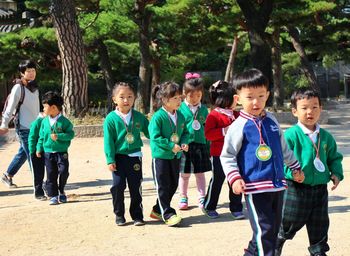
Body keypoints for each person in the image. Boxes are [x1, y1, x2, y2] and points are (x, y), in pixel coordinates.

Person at [220, 68, 304, 256]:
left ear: (267, 95)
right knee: (264, 230)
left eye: (260, 95)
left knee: (272, 229)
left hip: (277, 185)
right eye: (249, 97)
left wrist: (295, 167)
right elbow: (227, 155)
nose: (256, 102)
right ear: (238, 99)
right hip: (255, 187)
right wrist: (234, 178)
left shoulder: (272, 121)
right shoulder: (238, 126)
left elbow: (284, 149)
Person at [275, 88, 344, 256]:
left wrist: (336, 173)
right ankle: (275, 245)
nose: (309, 112)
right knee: (288, 222)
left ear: (320, 108)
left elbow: (334, 158)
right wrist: (292, 173)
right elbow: (280, 160)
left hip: (320, 190)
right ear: (294, 111)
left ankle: (319, 251)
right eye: (304, 107)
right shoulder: (290, 135)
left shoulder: (326, 136)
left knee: (319, 224)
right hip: (296, 189)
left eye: (314, 107)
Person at [103, 82, 150, 226]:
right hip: (118, 158)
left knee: (135, 186)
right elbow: (108, 141)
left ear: (134, 98)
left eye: (130, 97)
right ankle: (119, 215)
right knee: (118, 186)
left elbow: (151, 133)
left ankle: (137, 215)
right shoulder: (111, 118)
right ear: (114, 99)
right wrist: (110, 159)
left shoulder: (139, 117)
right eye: (122, 97)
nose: (126, 100)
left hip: (135, 157)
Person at [148, 81, 190, 227]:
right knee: (163, 186)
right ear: (165, 100)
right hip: (160, 157)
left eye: (180, 97)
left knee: (173, 185)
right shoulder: (157, 117)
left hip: (176, 156)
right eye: (175, 98)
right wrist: (171, 145)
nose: (179, 101)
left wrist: (185, 142)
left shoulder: (181, 115)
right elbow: (155, 137)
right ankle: (168, 213)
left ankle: (157, 210)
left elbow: (185, 132)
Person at [201, 80, 244, 220]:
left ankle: (236, 208)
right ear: (226, 99)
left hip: (236, 154)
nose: (237, 100)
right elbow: (208, 134)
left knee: (236, 180)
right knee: (218, 180)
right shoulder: (213, 115)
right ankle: (209, 206)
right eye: (235, 97)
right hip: (218, 154)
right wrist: (224, 131)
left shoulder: (237, 115)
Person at [1, 60, 40, 188]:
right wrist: (4, 124)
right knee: (32, 154)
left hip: (34, 127)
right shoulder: (18, 88)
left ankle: (8, 175)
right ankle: (39, 184)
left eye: (33, 70)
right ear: (22, 73)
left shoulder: (35, 88)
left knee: (23, 153)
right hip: (23, 127)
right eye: (28, 71)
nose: (31, 73)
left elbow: (35, 109)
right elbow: (10, 108)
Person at [177, 72, 211, 210]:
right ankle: (183, 197)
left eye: (198, 95)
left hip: (200, 144)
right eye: (191, 95)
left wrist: (208, 146)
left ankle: (202, 197)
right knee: (184, 174)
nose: (195, 98)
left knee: (200, 173)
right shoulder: (179, 108)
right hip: (185, 145)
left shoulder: (203, 110)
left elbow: (206, 128)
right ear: (184, 93)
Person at [36, 91, 74, 205]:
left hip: (62, 152)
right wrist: (39, 148)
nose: (43, 109)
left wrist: (59, 136)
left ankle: (61, 190)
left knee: (63, 171)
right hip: (48, 153)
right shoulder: (44, 122)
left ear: (53, 107)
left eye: (44, 107)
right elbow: (41, 137)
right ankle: (53, 195)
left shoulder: (65, 122)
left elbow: (71, 135)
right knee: (51, 174)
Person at [28, 112, 46, 200]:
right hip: (37, 152)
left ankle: (50, 189)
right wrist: (32, 152)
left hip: (48, 150)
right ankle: (38, 192)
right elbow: (32, 138)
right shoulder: (37, 123)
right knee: (38, 173)